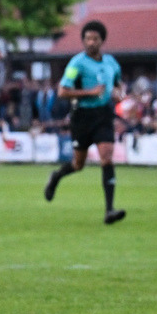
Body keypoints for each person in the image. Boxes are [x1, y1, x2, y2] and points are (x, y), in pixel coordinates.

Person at [43, 20, 126, 224]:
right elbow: (63, 91)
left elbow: (118, 85)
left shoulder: (111, 63)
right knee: (78, 164)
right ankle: (56, 177)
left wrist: (119, 94)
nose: (91, 42)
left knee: (106, 157)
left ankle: (109, 210)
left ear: (102, 41)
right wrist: (90, 92)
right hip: (82, 117)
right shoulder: (77, 63)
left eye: (95, 39)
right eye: (87, 39)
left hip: (103, 115)